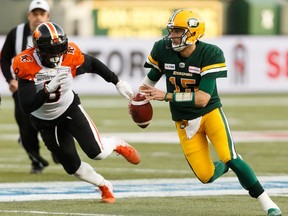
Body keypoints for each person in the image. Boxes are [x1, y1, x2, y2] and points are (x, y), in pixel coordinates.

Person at [136, 9, 282, 216]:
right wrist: (137, 100)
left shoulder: (210, 53)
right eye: (172, 30)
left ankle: (268, 203)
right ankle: (226, 164)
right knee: (205, 176)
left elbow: (203, 98)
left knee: (230, 156)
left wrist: (167, 96)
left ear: (193, 33)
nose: (173, 35)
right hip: (184, 121)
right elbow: (150, 79)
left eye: (178, 30)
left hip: (209, 113)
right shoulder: (162, 48)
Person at [12, 21, 141, 203]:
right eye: (51, 49)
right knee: (72, 166)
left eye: (59, 48)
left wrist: (116, 81)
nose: (57, 54)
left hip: (68, 108)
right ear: (38, 49)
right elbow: (26, 106)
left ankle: (116, 143)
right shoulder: (25, 63)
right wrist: (47, 90)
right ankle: (104, 185)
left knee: (98, 153)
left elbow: (93, 64)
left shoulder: (70, 55)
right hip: (45, 120)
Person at [1, 0, 51, 174]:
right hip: (22, 88)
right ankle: (36, 160)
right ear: (29, 15)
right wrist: (10, 80)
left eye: (41, 14)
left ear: (47, 16)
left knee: (55, 120)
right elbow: (5, 58)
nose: (38, 17)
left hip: (48, 87)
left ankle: (59, 152)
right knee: (25, 126)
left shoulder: (55, 33)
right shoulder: (17, 33)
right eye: (35, 14)